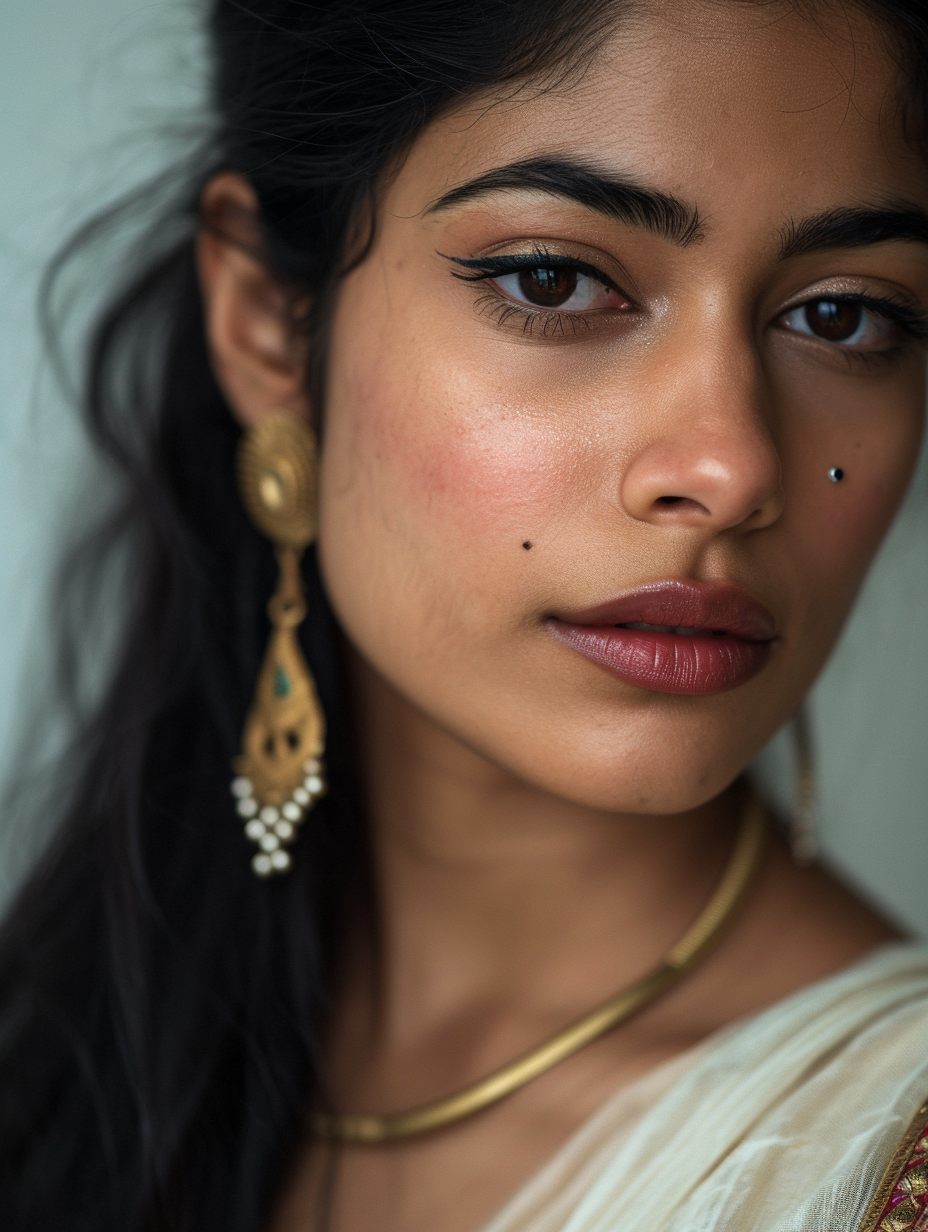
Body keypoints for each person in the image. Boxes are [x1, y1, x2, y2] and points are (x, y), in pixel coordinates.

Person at [2, 0, 928, 1228]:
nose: (731, 465)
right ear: (270, 327)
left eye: (841, 313)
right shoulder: (69, 1045)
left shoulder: (875, 1158)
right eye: (556, 279)